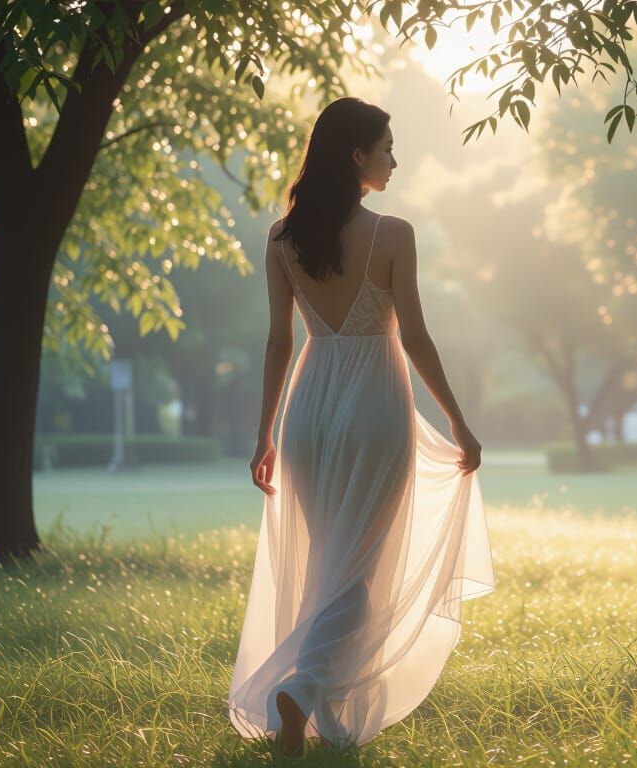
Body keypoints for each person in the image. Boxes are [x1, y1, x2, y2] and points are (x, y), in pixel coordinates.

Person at [227, 97, 496, 755]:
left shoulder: (282, 239)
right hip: (375, 407)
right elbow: (417, 341)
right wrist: (459, 424)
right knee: (360, 571)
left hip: (310, 411)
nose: (394, 160)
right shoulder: (393, 234)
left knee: (333, 562)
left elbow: (276, 345)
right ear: (357, 155)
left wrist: (264, 434)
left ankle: (331, 717)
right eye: (387, 147)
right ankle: (299, 688)